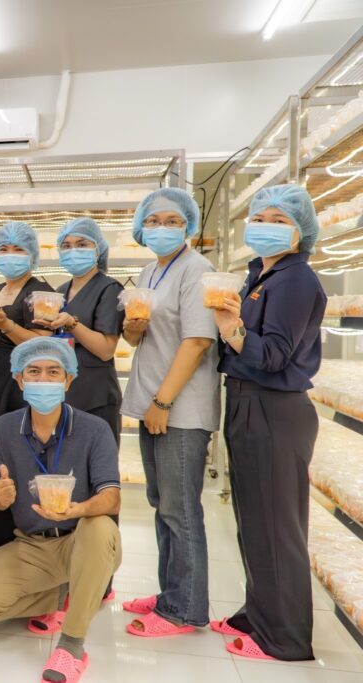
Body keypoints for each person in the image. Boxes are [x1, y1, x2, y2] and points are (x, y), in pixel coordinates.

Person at [212, 184, 325, 661]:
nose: (266, 226)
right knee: (254, 520)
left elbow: (276, 355)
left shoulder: (295, 279)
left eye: (280, 220)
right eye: (260, 217)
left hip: (274, 408)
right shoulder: (261, 275)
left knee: (278, 526)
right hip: (247, 402)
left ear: (301, 231)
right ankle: (258, 613)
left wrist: (232, 330)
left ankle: (285, 639)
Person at [0, 338, 122, 683]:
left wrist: (79, 509)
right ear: (19, 380)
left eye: (53, 372)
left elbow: (112, 498)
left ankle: (72, 644)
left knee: (99, 527)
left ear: (69, 380)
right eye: (34, 372)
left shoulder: (94, 429)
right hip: (30, 544)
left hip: (81, 541)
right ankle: (67, 593)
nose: (43, 379)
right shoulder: (4, 428)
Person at [120, 188, 220, 637]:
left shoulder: (197, 269)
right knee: (162, 506)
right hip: (154, 405)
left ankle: (185, 609)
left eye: (172, 221)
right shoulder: (151, 270)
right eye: (153, 221)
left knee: (180, 511)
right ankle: (170, 593)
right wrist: (132, 328)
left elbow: (197, 341)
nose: (162, 228)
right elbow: (139, 338)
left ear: (188, 226)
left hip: (179, 409)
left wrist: (162, 402)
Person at [42, 218, 125, 444]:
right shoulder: (60, 291)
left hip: (96, 395)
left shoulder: (109, 288)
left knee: (97, 458)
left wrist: (72, 324)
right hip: (63, 393)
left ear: (98, 249)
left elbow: (106, 350)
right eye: (66, 246)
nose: (73, 251)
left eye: (82, 244)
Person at [0, 221, 54, 435]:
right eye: (3, 249)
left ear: (32, 254)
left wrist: (5, 324)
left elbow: (43, 345)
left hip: (21, 382)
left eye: (18, 249)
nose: (10, 254)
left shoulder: (42, 293)